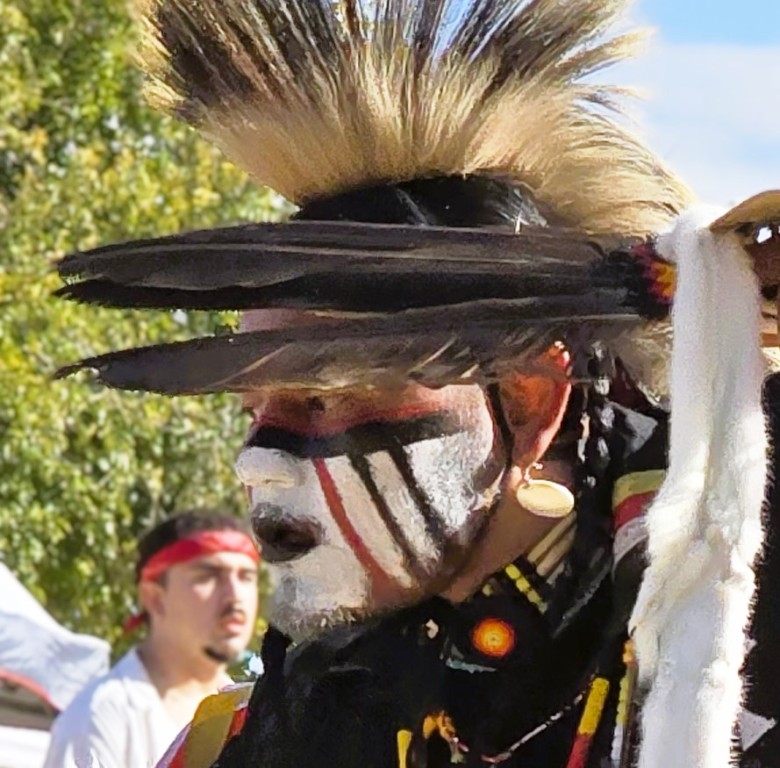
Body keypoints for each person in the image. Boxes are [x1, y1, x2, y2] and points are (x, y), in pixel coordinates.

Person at [54, 1, 780, 767]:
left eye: (324, 397)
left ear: (529, 401)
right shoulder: (256, 739)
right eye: (251, 409)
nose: (255, 461)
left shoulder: (740, 629)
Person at [43, 511, 260, 768]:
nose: (235, 596)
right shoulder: (99, 716)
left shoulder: (258, 708)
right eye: (208, 576)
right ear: (155, 597)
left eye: (246, 576)